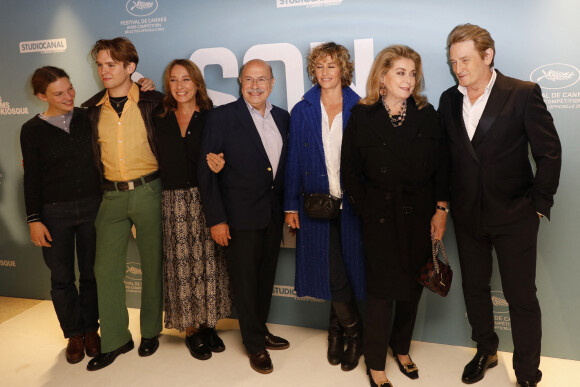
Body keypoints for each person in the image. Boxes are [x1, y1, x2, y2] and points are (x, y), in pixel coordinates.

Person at [438, 24, 561, 387]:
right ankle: (486, 349)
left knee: (521, 297)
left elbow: (549, 153)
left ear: (487, 56)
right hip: (468, 216)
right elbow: (445, 159)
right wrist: (444, 206)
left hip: (515, 216)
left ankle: (526, 373)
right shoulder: (448, 100)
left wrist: (539, 204)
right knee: (474, 288)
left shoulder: (522, 93)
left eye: (465, 60)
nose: (458, 68)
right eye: (453, 61)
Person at [341, 45, 450, 387]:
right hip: (380, 218)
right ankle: (375, 364)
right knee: (381, 293)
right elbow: (350, 171)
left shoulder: (426, 113)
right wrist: (366, 209)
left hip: (419, 216)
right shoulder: (363, 115)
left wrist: (441, 210)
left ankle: (401, 348)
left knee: (412, 288)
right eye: (400, 72)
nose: (408, 79)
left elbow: (441, 168)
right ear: (382, 77)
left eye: (413, 73)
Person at [198, 59, 290, 374]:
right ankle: (254, 345)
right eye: (249, 79)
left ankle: (260, 329)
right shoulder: (221, 118)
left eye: (261, 79)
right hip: (237, 217)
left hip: (272, 216)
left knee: (264, 280)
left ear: (272, 83)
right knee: (246, 283)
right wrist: (216, 219)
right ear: (240, 82)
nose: (255, 86)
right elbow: (207, 174)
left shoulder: (283, 117)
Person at [82, 37, 165, 371]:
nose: (104, 71)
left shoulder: (155, 101)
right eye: (100, 64)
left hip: (150, 189)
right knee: (105, 269)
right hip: (111, 196)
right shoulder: (89, 110)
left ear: (130, 68)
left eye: (111, 65)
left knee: (153, 263)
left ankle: (150, 333)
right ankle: (116, 339)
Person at [284, 42, 365, 371]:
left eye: (331, 66)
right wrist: (290, 205)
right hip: (316, 205)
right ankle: (353, 332)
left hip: (354, 206)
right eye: (319, 66)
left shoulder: (361, 107)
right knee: (331, 271)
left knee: (346, 271)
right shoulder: (302, 109)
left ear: (344, 68)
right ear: (312, 71)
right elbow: (292, 160)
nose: (325, 72)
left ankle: (336, 331)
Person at [20, 66, 102, 365]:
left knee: (92, 274)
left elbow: (114, 95)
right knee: (62, 278)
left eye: (70, 89)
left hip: (94, 207)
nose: (68, 96)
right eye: (58, 93)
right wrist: (34, 219)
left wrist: (143, 84)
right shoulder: (31, 130)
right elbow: (32, 179)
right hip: (54, 215)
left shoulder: (87, 116)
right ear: (41, 96)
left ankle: (92, 330)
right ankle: (74, 334)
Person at [153, 59, 232, 361]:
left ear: (197, 83)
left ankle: (208, 324)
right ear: (167, 85)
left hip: (207, 197)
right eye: (173, 80)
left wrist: (223, 161)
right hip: (172, 200)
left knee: (211, 264)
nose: (180, 86)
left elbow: (227, 153)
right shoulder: (158, 115)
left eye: (186, 79)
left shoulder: (213, 117)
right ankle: (190, 330)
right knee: (182, 267)